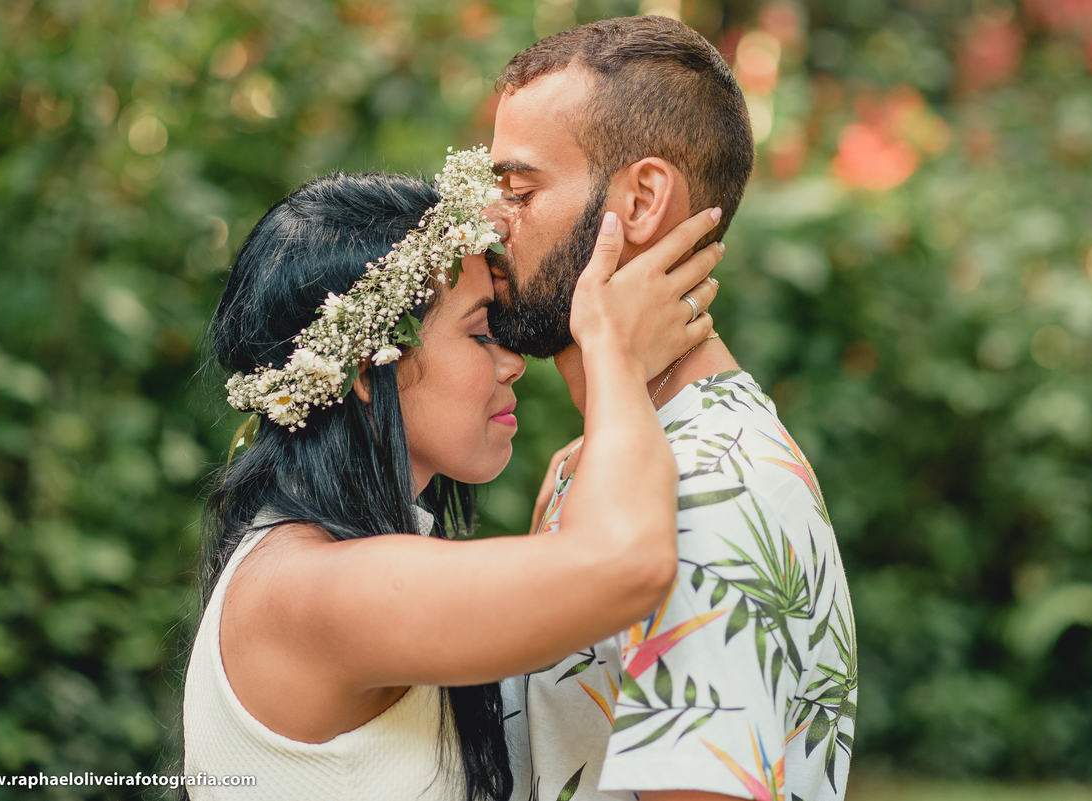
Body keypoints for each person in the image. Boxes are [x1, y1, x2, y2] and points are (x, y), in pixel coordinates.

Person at [180, 151, 726, 801]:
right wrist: (613, 351)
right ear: (364, 370)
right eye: (479, 332)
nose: (513, 363)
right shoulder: (308, 590)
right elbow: (625, 565)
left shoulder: (325, 560)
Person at [485, 17, 857, 801]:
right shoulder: (600, 464)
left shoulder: (712, 488)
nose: (489, 222)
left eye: (518, 189)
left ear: (643, 200)